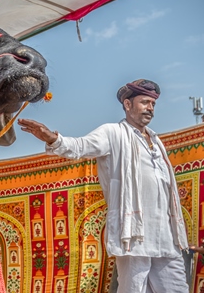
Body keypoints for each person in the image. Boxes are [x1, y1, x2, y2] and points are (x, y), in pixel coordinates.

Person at [18, 79, 189, 293]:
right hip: (135, 235)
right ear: (127, 104)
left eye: (153, 104)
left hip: (166, 236)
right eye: (145, 102)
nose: (150, 108)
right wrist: (53, 139)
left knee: (177, 288)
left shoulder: (156, 141)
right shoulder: (113, 133)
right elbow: (80, 147)